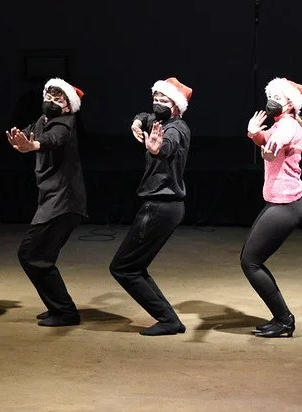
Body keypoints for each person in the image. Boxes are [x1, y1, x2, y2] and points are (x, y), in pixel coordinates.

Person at [110, 77, 193, 336]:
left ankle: (168, 320)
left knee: (123, 268)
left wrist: (158, 150)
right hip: (163, 206)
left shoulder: (175, 129)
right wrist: (137, 121)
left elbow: (168, 146)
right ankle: (169, 319)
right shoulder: (161, 121)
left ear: (176, 105)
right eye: (155, 99)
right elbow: (145, 116)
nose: (158, 104)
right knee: (134, 267)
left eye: (164, 100)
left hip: (160, 206)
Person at [6, 78, 87, 327]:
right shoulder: (43, 120)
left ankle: (66, 313)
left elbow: (54, 138)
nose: (51, 103)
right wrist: (21, 141)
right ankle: (58, 308)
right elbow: (30, 133)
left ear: (68, 106)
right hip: (53, 200)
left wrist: (34, 145)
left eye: (58, 100)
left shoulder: (66, 122)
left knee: (31, 254)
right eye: (48, 98)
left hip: (64, 202)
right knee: (39, 257)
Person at [242, 77, 302, 338]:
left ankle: (285, 320)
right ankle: (281, 318)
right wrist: (254, 132)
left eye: (279, 98)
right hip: (280, 202)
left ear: (291, 104)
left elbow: (277, 140)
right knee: (251, 260)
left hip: (287, 204)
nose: (273, 102)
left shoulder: (289, 125)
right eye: (272, 97)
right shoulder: (280, 123)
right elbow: (266, 138)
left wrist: (270, 147)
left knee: (250, 262)